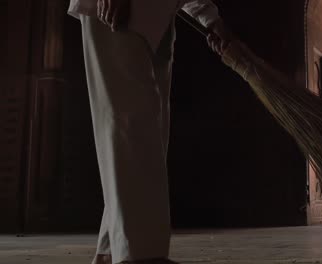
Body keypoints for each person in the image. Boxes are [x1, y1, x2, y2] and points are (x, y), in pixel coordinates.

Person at [67, 0, 231, 263]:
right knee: (129, 128)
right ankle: (140, 256)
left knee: (147, 138)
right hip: (120, 9)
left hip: (158, 16)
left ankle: (111, 253)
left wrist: (209, 17)